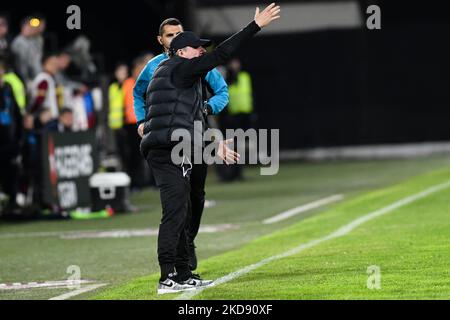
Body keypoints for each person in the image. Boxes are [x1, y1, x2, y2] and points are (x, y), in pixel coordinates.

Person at [140, 3, 280, 294]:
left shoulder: (176, 74)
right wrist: (254, 26)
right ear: (181, 52)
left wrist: (213, 144)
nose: (201, 52)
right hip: (166, 150)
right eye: (196, 48)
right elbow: (222, 53)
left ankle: (183, 272)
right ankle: (167, 277)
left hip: (172, 145)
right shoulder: (180, 69)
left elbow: (184, 119)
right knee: (176, 211)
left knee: (185, 208)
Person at [134, 17, 229, 272]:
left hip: (194, 132)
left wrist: (206, 108)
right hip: (170, 140)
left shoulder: (198, 64)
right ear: (161, 40)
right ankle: (177, 261)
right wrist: (142, 120)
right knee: (179, 200)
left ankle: (188, 242)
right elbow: (137, 93)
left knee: (196, 194)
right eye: (169, 35)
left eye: (178, 33)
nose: (174, 38)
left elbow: (222, 92)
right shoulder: (154, 66)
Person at [0, 58, 23, 213]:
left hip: (9, 138)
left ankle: (12, 203)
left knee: (11, 171)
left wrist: (19, 134)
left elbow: (16, 113)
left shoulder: (8, 88)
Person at [11, 15, 46, 85]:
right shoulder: (19, 42)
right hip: (22, 77)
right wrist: (26, 81)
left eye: (32, 27)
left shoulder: (37, 39)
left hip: (35, 76)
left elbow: (36, 60)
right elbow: (21, 65)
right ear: (22, 27)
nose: (30, 29)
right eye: (27, 27)